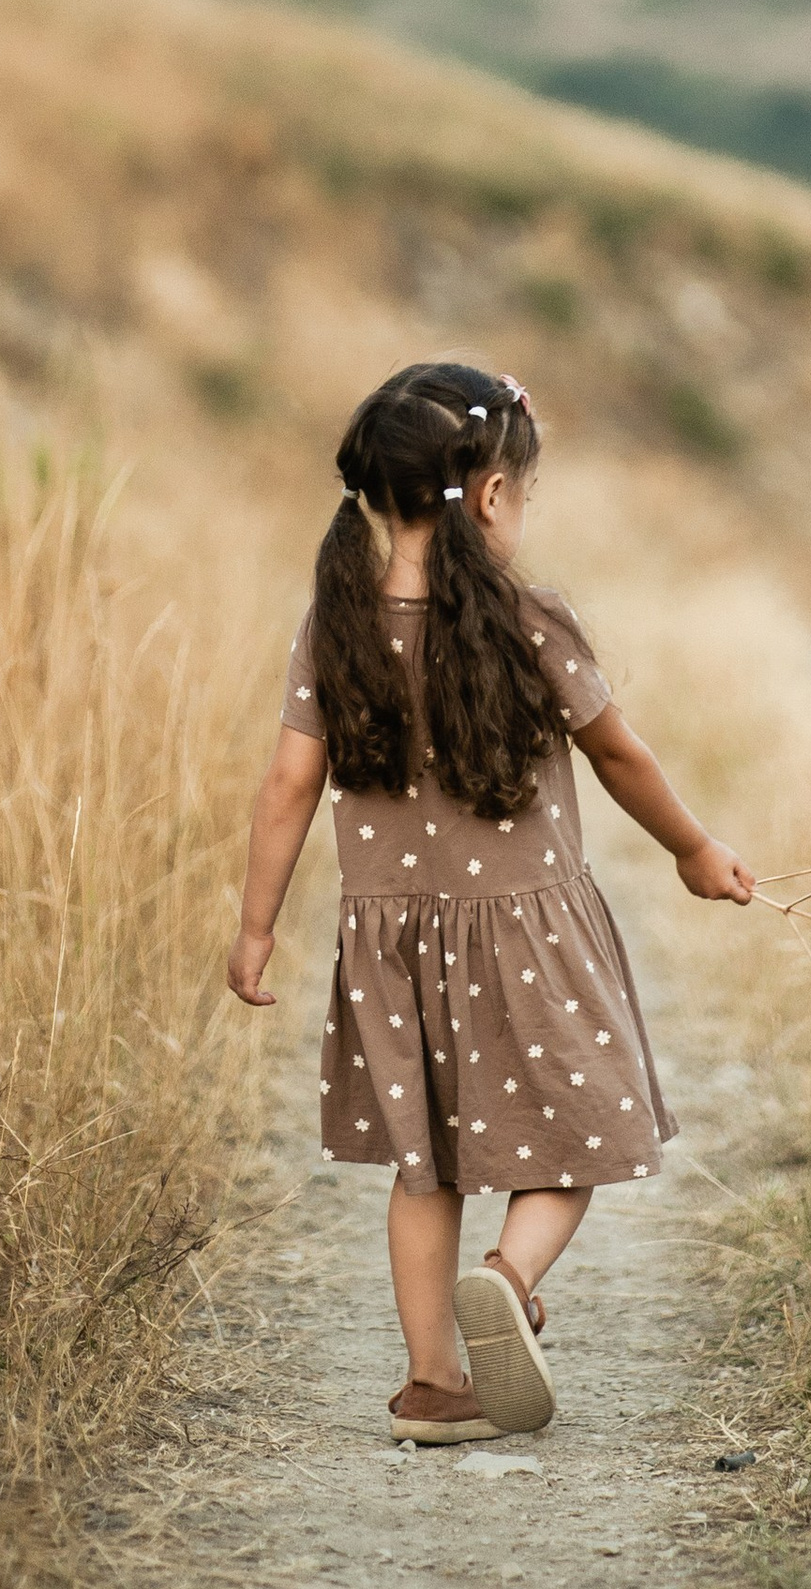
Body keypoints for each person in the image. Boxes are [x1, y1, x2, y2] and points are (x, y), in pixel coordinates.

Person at [225, 359, 755, 1442]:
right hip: (530, 927)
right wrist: (694, 848)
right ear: (495, 495)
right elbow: (618, 754)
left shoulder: (335, 624)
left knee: (425, 1166)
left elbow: (287, 782)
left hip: (391, 943)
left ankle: (432, 1383)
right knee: (588, 1126)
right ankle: (507, 1280)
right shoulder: (530, 619)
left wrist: (256, 926)